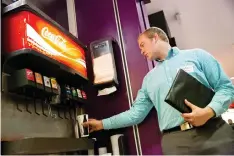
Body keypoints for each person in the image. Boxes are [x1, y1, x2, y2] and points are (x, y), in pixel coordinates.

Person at [83, 27, 234, 155]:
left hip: (216, 132)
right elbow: (136, 114)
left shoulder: (197, 56)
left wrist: (208, 111)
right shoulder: (149, 80)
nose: (141, 51)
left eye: (142, 45)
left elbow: (226, 87)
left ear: (155, 38)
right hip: (176, 144)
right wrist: (102, 124)